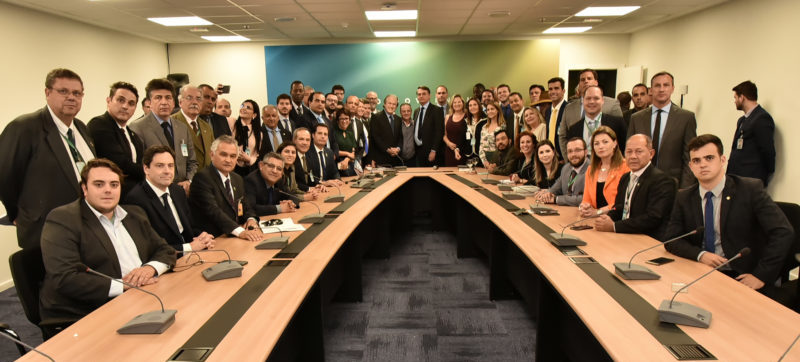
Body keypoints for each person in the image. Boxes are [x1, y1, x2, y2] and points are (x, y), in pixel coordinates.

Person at [39, 158, 176, 323]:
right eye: (99, 184)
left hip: (143, 294)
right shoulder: (63, 219)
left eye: (114, 185)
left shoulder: (134, 214)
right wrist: (124, 285)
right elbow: (65, 278)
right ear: (84, 188)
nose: (108, 190)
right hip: (90, 310)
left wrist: (149, 268)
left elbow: (165, 250)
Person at [663, 134, 793, 295]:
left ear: (722, 160)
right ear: (690, 166)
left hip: (739, 275)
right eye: (696, 161)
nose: (703, 164)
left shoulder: (749, 189)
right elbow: (671, 239)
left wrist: (761, 275)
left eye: (709, 158)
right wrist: (700, 255)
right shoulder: (684, 196)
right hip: (699, 270)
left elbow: (783, 232)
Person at [0, 68, 96, 252]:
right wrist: (17, 213)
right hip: (45, 227)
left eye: (77, 93)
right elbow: (4, 177)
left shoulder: (81, 128)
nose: (71, 97)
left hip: (86, 225)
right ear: (47, 93)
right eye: (63, 91)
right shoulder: (24, 128)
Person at [125, 145, 214, 253]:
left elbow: (190, 227)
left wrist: (203, 238)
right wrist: (190, 247)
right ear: (146, 169)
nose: (167, 171)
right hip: (167, 261)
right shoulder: (135, 199)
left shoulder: (177, 191)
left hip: (193, 255)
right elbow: (149, 246)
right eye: (160, 166)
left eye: (171, 166)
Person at [594, 134, 676, 239]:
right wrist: (606, 219)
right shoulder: (625, 178)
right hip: (625, 235)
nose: (633, 156)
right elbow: (619, 207)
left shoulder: (662, 181)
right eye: (629, 152)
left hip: (647, 239)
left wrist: (614, 226)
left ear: (651, 154)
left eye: (639, 151)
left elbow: (653, 218)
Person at [627, 71, 697, 187]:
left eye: (666, 85)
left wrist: (685, 189)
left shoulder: (686, 118)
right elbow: (629, 153)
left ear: (672, 88)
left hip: (672, 184)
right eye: (657, 85)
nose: (661, 89)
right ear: (651, 90)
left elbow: (689, 156)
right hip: (640, 183)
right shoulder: (637, 118)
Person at [129, 78, 197, 193]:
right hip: (156, 191)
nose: (164, 102)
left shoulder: (182, 127)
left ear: (174, 102)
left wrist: (189, 181)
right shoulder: (137, 128)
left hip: (184, 190)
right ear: (149, 103)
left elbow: (192, 161)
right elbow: (140, 165)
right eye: (158, 98)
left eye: (168, 97)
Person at [188, 135, 262, 240]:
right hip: (213, 238)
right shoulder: (202, 178)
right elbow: (214, 211)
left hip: (234, 236)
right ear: (212, 155)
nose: (228, 160)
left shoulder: (237, 179)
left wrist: (251, 219)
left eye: (233, 156)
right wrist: (240, 232)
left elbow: (246, 206)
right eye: (223, 155)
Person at [88, 81, 144, 198]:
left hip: (135, 191)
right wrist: (150, 173)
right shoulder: (99, 124)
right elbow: (119, 163)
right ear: (109, 101)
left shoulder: (132, 133)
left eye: (131, 103)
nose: (125, 106)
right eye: (120, 100)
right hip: (113, 194)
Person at [558, 69, 623, 159]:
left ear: (596, 82)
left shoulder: (612, 105)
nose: (586, 81)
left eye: (589, 78)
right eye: (582, 80)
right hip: (582, 163)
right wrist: (570, 159)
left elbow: (621, 137)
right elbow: (563, 136)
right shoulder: (570, 110)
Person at [726, 80, 775, 186]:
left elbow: (767, 150)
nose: (734, 101)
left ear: (742, 97)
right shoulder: (742, 120)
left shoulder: (762, 118)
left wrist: (765, 174)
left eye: (735, 98)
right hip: (736, 177)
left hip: (751, 178)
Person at [579, 126, 630, 217]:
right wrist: (584, 207)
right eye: (596, 143)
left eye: (605, 142)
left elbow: (623, 202)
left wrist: (598, 212)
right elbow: (586, 199)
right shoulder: (591, 169)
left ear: (615, 143)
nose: (601, 146)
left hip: (617, 219)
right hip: (594, 220)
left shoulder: (626, 167)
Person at [566, 86, 627, 154]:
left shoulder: (617, 123)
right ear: (583, 101)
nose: (592, 102)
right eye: (588, 98)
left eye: (596, 98)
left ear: (602, 101)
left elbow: (624, 149)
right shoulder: (573, 129)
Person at [535, 138, 589, 206]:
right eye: (570, 151)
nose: (573, 154)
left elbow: (585, 198)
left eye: (577, 150)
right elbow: (556, 188)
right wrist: (546, 194)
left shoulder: (592, 170)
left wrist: (556, 199)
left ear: (586, 152)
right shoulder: (566, 168)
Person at [172, 84, 214, 171]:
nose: (194, 102)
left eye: (198, 99)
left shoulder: (206, 126)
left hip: (205, 179)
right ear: (180, 102)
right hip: (183, 180)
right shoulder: (172, 122)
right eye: (189, 98)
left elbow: (212, 153)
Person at [245, 152, 297, 216]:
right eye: (271, 166)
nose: (275, 171)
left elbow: (293, 197)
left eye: (279, 169)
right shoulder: (251, 181)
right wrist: (279, 208)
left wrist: (290, 203)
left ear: (282, 172)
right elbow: (250, 209)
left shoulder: (280, 180)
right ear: (261, 165)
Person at [232, 99, 265, 177]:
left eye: (248, 107)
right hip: (233, 167)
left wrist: (249, 159)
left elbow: (256, 153)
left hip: (249, 169)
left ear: (254, 115)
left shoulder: (258, 133)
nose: (243, 108)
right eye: (242, 106)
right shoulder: (232, 124)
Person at [413, 86, 445, 167]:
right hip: (418, 151)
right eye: (419, 94)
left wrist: (434, 150)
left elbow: (439, 132)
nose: (421, 96)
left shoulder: (437, 110)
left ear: (429, 96)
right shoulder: (416, 111)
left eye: (424, 94)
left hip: (431, 152)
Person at [369, 94, 403, 166]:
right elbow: (376, 138)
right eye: (389, 103)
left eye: (394, 104)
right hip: (381, 159)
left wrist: (398, 149)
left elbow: (400, 137)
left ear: (396, 106)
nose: (391, 106)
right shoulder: (376, 117)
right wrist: (388, 150)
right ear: (384, 104)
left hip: (396, 159)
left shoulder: (399, 119)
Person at [443, 94, 469, 166]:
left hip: (463, 151)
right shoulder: (448, 117)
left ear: (463, 103)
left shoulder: (468, 116)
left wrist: (458, 148)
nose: (457, 104)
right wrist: (448, 143)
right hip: (449, 151)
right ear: (452, 104)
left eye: (459, 102)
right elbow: (444, 134)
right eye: (454, 102)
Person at [544, 77, 567, 157]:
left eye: (556, 88)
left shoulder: (568, 109)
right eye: (550, 89)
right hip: (549, 157)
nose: (553, 91)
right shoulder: (547, 111)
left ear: (563, 91)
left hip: (563, 157)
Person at [478, 102, 506, 167]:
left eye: (492, 109)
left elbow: (504, 147)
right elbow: (481, 146)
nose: (490, 111)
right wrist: (484, 161)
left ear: (498, 110)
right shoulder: (484, 127)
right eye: (488, 110)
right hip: (485, 162)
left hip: (497, 161)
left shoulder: (502, 126)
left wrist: (495, 163)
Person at [332, 110, 358, 176]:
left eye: (346, 118)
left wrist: (347, 159)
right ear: (337, 121)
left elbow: (353, 153)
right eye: (342, 119)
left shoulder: (350, 134)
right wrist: (347, 153)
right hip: (338, 164)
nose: (344, 121)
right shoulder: (333, 133)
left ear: (349, 120)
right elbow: (334, 151)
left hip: (350, 163)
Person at [466, 98, 486, 164]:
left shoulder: (486, 120)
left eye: (475, 104)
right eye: (470, 105)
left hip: (482, 156)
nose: (472, 107)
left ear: (479, 106)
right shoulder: (466, 121)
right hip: (469, 155)